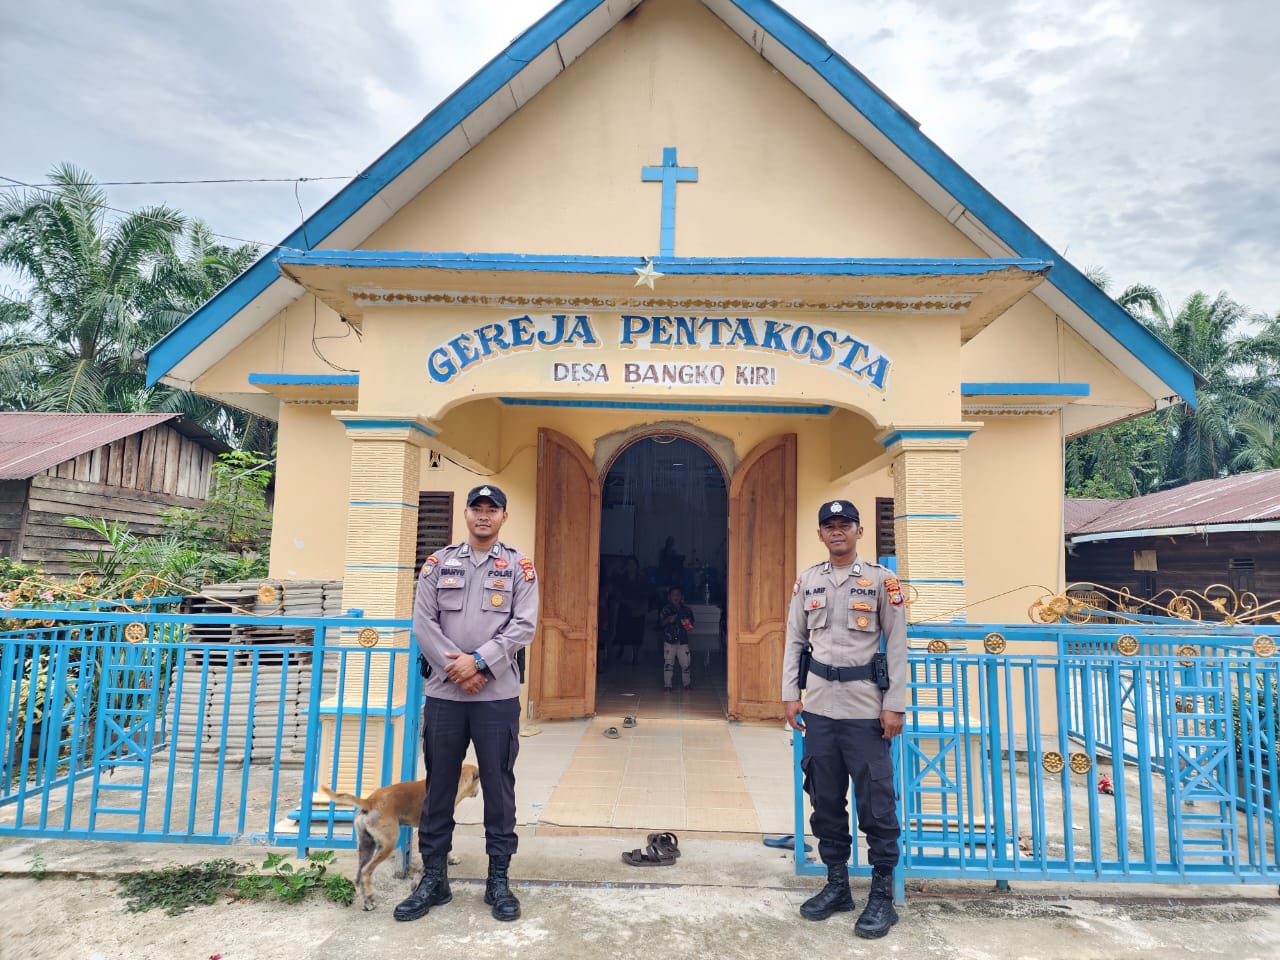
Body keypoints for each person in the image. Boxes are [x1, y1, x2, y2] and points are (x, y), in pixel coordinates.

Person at [396, 484, 538, 924]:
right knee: (439, 787)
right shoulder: (438, 564)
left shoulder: (519, 567)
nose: (484, 515)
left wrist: (478, 663)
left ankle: (499, 880)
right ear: (466, 514)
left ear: (504, 516)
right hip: (445, 694)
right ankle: (434, 879)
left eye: (492, 509)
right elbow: (423, 622)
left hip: (496, 696)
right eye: (477, 508)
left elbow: (524, 625)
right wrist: (455, 667)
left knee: (498, 787)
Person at [781, 498, 906, 940]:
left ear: (858, 531)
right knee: (826, 799)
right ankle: (837, 886)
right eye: (829, 525)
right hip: (819, 708)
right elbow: (795, 639)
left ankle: (881, 896)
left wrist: (895, 704)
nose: (837, 531)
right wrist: (790, 694)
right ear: (820, 533)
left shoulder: (881, 581)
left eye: (845, 524)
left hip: (865, 710)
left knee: (876, 804)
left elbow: (897, 643)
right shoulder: (808, 581)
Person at [611, 556, 649, 665]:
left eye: (633, 564)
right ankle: (621, 649)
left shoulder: (642, 579)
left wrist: (641, 605)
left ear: (637, 566)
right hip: (625, 608)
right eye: (629, 564)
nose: (631, 566)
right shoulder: (621, 578)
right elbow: (617, 592)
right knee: (622, 630)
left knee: (637, 632)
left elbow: (647, 593)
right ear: (626, 566)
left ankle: (635, 657)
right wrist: (626, 601)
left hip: (638, 609)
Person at [658, 586, 694, 692]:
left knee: (686, 663)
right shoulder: (665, 609)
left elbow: (690, 627)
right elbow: (660, 624)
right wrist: (668, 620)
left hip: (683, 641)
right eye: (673, 594)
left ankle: (687, 683)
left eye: (678, 594)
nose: (676, 597)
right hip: (669, 641)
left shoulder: (687, 610)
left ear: (681, 596)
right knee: (668, 663)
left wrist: (685, 622)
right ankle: (667, 685)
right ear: (669, 597)